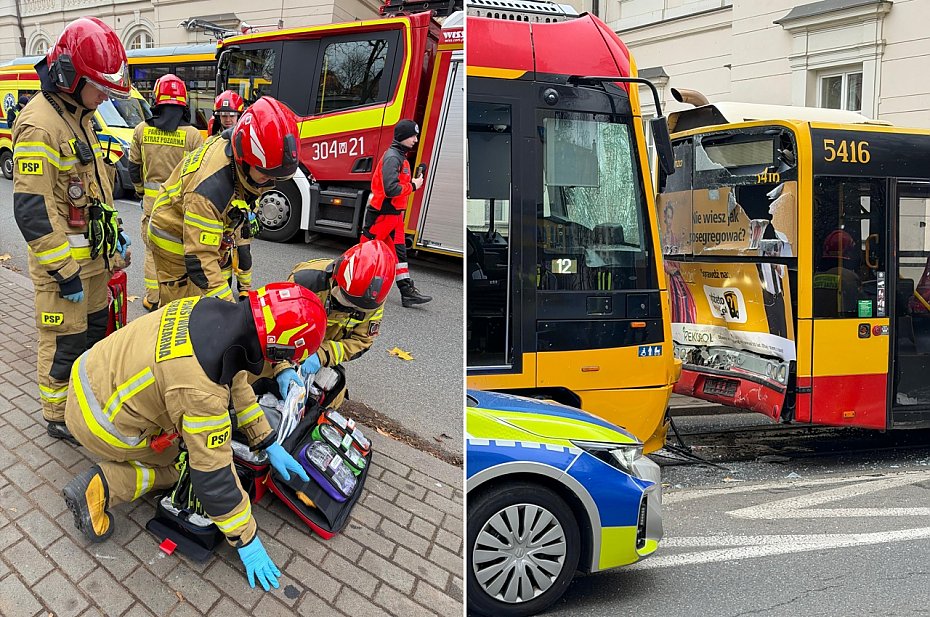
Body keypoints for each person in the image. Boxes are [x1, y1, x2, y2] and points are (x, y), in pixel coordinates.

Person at [61, 282, 326, 590]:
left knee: (193, 447)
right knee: (185, 464)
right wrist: (246, 537)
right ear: (278, 348)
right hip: (99, 421)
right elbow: (212, 478)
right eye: (289, 357)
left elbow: (236, 380)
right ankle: (102, 486)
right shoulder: (201, 389)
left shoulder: (213, 312)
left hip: (92, 376)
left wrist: (267, 441)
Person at [12, 17, 131, 443]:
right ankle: (58, 415)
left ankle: (84, 401)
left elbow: (92, 190)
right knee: (64, 344)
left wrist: (113, 235)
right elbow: (32, 209)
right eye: (100, 87)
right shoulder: (40, 124)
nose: (104, 98)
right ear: (69, 76)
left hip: (94, 268)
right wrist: (63, 272)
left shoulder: (81, 115)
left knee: (94, 336)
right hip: (65, 273)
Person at [148, 96, 299, 306]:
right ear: (244, 160)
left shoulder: (236, 156)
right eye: (265, 174)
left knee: (205, 300)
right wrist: (230, 309)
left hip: (192, 226)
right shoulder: (209, 191)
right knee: (181, 312)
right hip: (171, 237)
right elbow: (199, 260)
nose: (270, 183)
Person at [273, 240, 397, 408]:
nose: (351, 308)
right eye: (348, 300)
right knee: (254, 383)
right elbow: (275, 328)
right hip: (287, 348)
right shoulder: (305, 280)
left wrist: (321, 355)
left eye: (357, 306)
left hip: (322, 356)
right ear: (337, 278)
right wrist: (282, 366)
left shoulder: (372, 301)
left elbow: (361, 342)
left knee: (331, 399)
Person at [128, 74, 203, 311]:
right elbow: (199, 175)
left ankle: (154, 299)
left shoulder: (141, 130)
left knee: (152, 253)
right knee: (181, 255)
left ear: (156, 101)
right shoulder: (192, 135)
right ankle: (180, 300)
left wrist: (141, 192)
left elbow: (133, 166)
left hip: (152, 207)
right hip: (181, 210)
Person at [361, 119, 432, 307]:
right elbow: (391, 189)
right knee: (364, 253)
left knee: (399, 255)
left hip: (393, 216)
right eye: (413, 136)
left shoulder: (400, 158)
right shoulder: (393, 157)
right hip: (382, 215)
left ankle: (406, 291)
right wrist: (414, 186)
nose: (416, 139)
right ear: (402, 137)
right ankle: (345, 282)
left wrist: (414, 182)